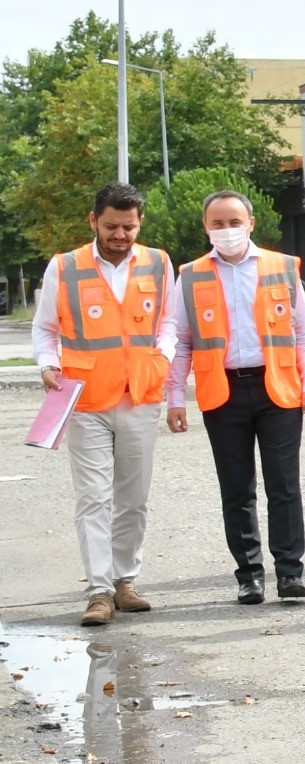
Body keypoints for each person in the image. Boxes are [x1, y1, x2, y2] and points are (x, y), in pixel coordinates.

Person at [165, 191, 305, 604]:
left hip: (279, 390)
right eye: (217, 224)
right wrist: (175, 398)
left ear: (251, 223)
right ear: (206, 228)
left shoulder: (282, 267)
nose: (226, 230)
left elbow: (304, 334)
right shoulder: (192, 274)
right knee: (236, 489)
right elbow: (181, 342)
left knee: (284, 485)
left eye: (234, 222)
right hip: (223, 391)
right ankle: (249, 575)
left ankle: (290, 573)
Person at [31, 182, 175, 626]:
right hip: (86, 398)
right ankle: (98, 592)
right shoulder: (65, 267)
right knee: (93, 498)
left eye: (129, 227)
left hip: (139, 396)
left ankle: (125, 582)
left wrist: (163, 357)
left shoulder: (158, 262)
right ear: (93, 220)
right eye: (112, 225)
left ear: (140, 223)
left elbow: (169, 320)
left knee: (133, 498)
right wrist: (47, 363)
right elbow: (45, 328)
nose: (120, 235)